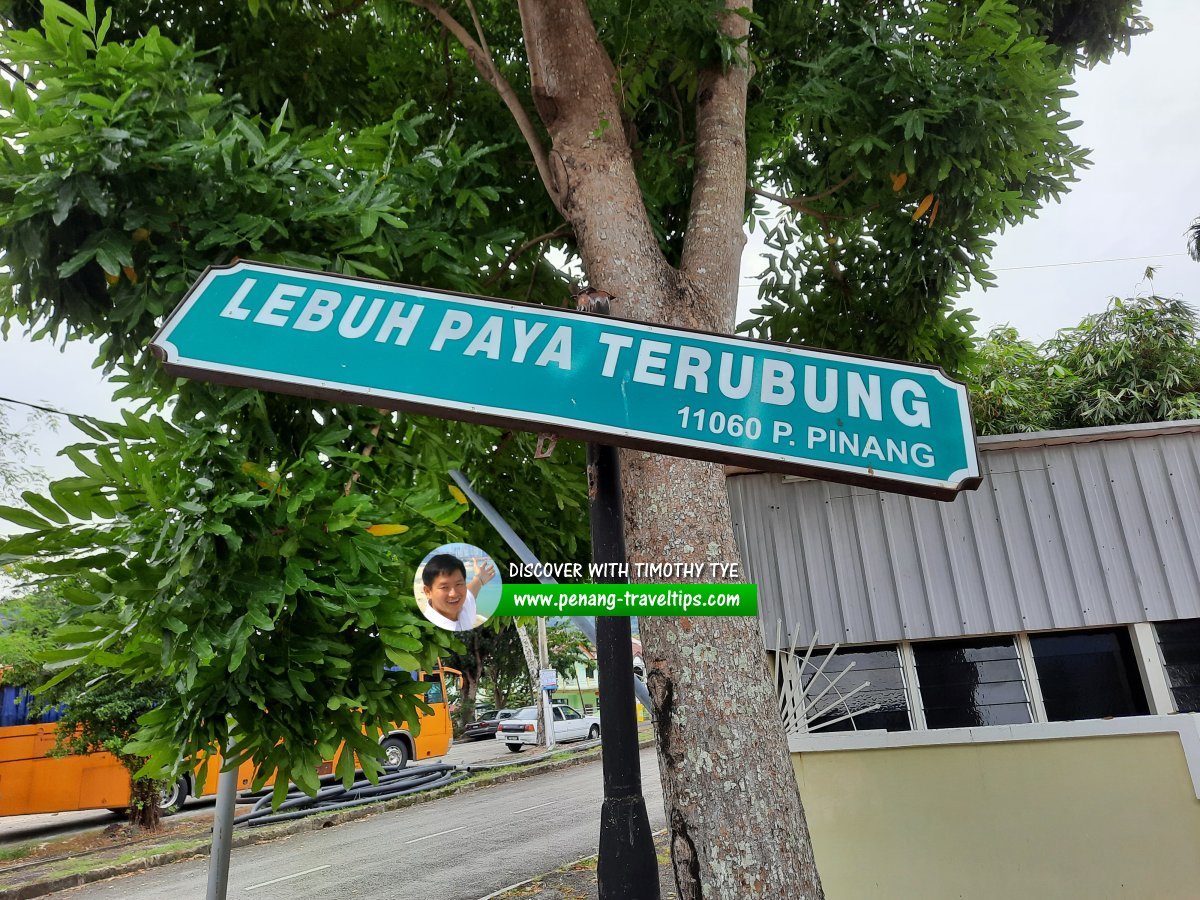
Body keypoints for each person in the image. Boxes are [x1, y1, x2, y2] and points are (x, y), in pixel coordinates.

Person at [419, 553, 496, 632]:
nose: (454, 594)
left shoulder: (463, 606)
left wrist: (480, 578)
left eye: (458, 584)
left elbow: (471, 590)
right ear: (428, 592)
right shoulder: (428, 630)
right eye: (444, 587)